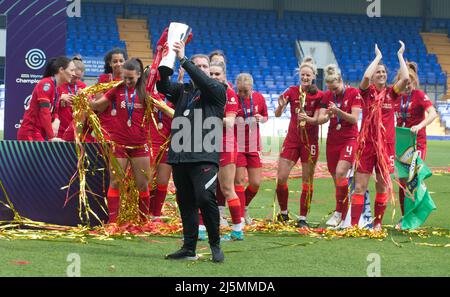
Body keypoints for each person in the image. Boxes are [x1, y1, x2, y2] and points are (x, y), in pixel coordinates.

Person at [156, 41, 227, 263]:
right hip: (179, 155)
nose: (202, 69)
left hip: (204, 155)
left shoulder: (217, 90)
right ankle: (189, 248)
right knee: (185, 202)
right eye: (198, 66)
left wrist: (185, 60)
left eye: (204, 66)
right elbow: (163, 87)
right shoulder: (184, 90)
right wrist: (165, 62)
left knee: (205, 198)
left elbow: (204, 81)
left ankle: (215, 245)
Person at [350, 42, 409, 230]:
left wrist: (400, 55)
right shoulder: (367, 93)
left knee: (382, 187)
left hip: (386, 147)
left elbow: (406, 79)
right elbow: (366, 76)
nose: (381, 74)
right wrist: (377, 58)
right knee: (360, 187)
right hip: (366, 145)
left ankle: (377, 224)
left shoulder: (392, 93)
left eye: (384, 72)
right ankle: (354, 225)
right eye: (379, 72)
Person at [89, 58, 151, 224]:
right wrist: (85, 101)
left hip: (139, 145)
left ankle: (143, 221)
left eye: (131, 78)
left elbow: (161, 108)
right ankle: (113, 222)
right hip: (119, 144)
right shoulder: (117, 89)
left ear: (139, 75)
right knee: (115, 181)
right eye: (125, 77)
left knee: (143, 185)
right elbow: (98, 106)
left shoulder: (146, 91)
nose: (128, 81)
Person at [274, 57, 323, 227]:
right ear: (299, 75)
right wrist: (280, 106)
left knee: (307, 180)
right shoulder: (292, 91)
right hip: (292, 139)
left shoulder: (319, 95)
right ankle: (283, 213)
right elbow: (277, 114)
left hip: (310, 143)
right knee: (281, 177)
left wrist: (308, 118)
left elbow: (319, 119)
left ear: (314, 76)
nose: (305, 78)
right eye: (303, 75)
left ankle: (302, 218)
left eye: (308, 75)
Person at [318, 64, 362, 227]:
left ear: (341, 81)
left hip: (349, 138)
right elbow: (321, 119)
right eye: (330, 89)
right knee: (336, 178)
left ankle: (339, 213)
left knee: (340, 172)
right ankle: (344, 213)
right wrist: (328, 115)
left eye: (335, 88)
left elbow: (354, 118)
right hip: (333, 139)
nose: (333, 92)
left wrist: (338, 112)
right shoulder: (327, 95)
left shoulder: (354, 93)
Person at [393, 62, 437, 222]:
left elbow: (432, 113)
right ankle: (405, 216)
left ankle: (415, 214)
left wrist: (419, 125)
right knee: (402, 181)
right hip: (401, 146)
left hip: (417, 144)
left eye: (410, 83)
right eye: (405, 83)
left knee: (413, 179)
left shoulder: (419, 95)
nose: (407, 87)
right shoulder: (395, 97)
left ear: (414, 82)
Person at [209, 61, 243, 240]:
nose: (214, 77)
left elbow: (230, 122)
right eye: (211, 74)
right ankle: (202, 227)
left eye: (217, 74)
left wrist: (207, 118)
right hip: (207, 144)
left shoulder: (229, 93)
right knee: (205, 188)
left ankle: (238, 229)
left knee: (227, 188)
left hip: (225, 144)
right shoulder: (204, 91)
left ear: (224, 76)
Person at [234, 73, 268, 225]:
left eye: (245, 91)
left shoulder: (259, 98)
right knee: (239, 180)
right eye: (239, 91)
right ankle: (240, 216)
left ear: (252, 88)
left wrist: (262, 118)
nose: (241, 94)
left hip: (254, 146)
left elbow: (266, 116)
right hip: (237, 144)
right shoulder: (233, 99)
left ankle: (244, 206)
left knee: (255, 183)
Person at [17, 56, 76, 141]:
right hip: (30, 133)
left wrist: (56, 119)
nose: (74, 74)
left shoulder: (58, 87)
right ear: (61, 70)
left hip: (39, 133)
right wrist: (52, 137)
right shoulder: (46, 84)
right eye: (71, 70)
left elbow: (54, 110)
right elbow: (45, 112)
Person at [96, 48, 127, 139]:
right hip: (106, 124)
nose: (118, 64)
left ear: (126, 62)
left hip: (124, 125)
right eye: (115, 61)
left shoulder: (130, 80)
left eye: (121, 61)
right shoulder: (103, 79)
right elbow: (99, 105)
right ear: (110, 63)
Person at [56, 57, 87, 139]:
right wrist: (60, 98)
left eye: (79, 78)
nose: (76, 80)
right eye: (74, 77)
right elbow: (49, 104)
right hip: (59, 129)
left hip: (75, 130)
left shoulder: (82, 86)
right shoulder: (59, 84)